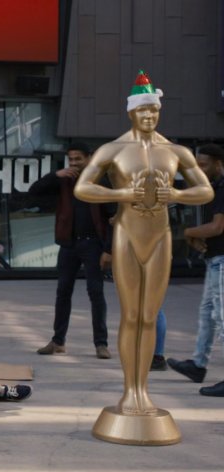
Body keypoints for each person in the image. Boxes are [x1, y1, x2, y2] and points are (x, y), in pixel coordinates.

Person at [75, 70, 213, 414]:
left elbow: (205, 189)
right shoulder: (114, 149)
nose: (149, 116)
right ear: (131, 112)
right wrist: (122, 192)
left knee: (149, 316)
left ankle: (143, 391)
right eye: (143, 110)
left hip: (160, 236)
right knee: (131, 314)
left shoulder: (175, 151)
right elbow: (82, 187)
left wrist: (177, 193)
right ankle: (129, 392)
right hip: (127, 234)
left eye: (154, 110)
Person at [29, 142, 113, 359]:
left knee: (96, 293)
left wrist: (108, 249)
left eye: (78, 159)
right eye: (71, 159)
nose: (74, 163)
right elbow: (33, 191)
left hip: (93, 244)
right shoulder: (64, 181)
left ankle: (101, 344)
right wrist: (55, 175)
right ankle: (58, 341)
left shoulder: (100, 180)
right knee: (63, 291)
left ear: (89, 158)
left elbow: (113, 217)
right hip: (69, 244)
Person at [167, 143, 224, 396]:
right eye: (197, 165)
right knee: (208, 314)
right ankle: (198, 365)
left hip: (222, 259)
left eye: (204, 165)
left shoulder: (222, 188)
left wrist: (187, 233)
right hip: (215, 258)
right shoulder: (214, 188)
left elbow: (216, 227)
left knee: (221, 317)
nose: (199, 170)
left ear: (218, 163)